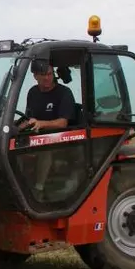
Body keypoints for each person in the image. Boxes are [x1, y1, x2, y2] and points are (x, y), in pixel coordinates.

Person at [17, 58, 78, 199]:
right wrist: (19, 126)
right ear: (35, 76)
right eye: (43, 74)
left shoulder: (64, 93)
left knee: (44, 149)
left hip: (63, 139)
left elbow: (63, 123)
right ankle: (21, 188)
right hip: (38, 136)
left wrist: (41, 123)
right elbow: (29, 117)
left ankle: (38, 189)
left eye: (49, 74)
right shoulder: (33, 92)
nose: (47, 78)